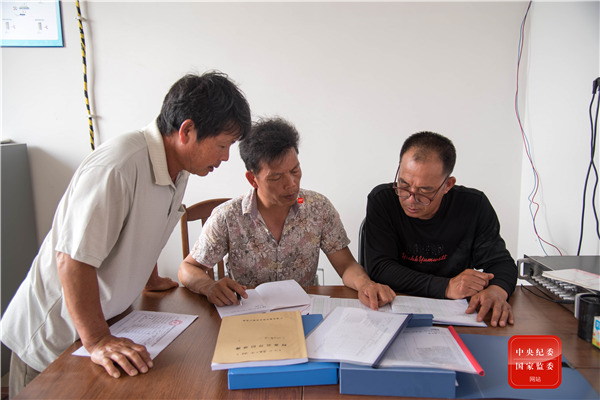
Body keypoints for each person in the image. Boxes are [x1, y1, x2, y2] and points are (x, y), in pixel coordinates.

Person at [0, 71, 251, 397]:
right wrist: (98, 340)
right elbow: (72, 259)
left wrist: (150, 278)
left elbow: (144, 223)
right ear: (187, 131)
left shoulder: (179, 168)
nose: (225, 157)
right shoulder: (118, 166)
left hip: (102, 325)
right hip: (54, 340)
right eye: (222, 145)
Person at [178, 117, 396, 310]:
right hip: (248, 316)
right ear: (253, 179)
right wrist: (208, 286)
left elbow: (346, 265)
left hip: (304, 313)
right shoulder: (228, 217)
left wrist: (366, 284)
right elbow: (188, 268)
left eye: (295, 171)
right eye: (276, 177)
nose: (291, 184)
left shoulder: (318, 208)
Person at [364, 131, 517, 327]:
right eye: (404, 184)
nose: (410, 199)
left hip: (457, 314)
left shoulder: (474, 206)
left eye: (425, 190)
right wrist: (446, 287)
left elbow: (500, 262)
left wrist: (497, 290)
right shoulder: (383, 200)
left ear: (448, 185)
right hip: (392, 310)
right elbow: (380, 267)